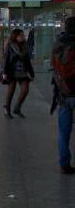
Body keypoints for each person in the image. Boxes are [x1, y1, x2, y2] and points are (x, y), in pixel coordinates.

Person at [51, 16, 75, 174]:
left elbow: (54, 67)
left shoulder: (57, 44)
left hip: (63, 91)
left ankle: (64, 164)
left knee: (63, 131)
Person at [2, 29, 34, 119]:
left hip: (23, 72)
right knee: (11, 91)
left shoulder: (25, 46)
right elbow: (6, 60)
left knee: (25, 90)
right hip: (12, 71)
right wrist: (5, 72)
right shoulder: (10, 46)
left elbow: (28, 61)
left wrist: (31, 72)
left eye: (23, 35)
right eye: (21, 35)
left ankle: (17, 107)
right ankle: (7, 109)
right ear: (15, 36)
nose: (23, 37)